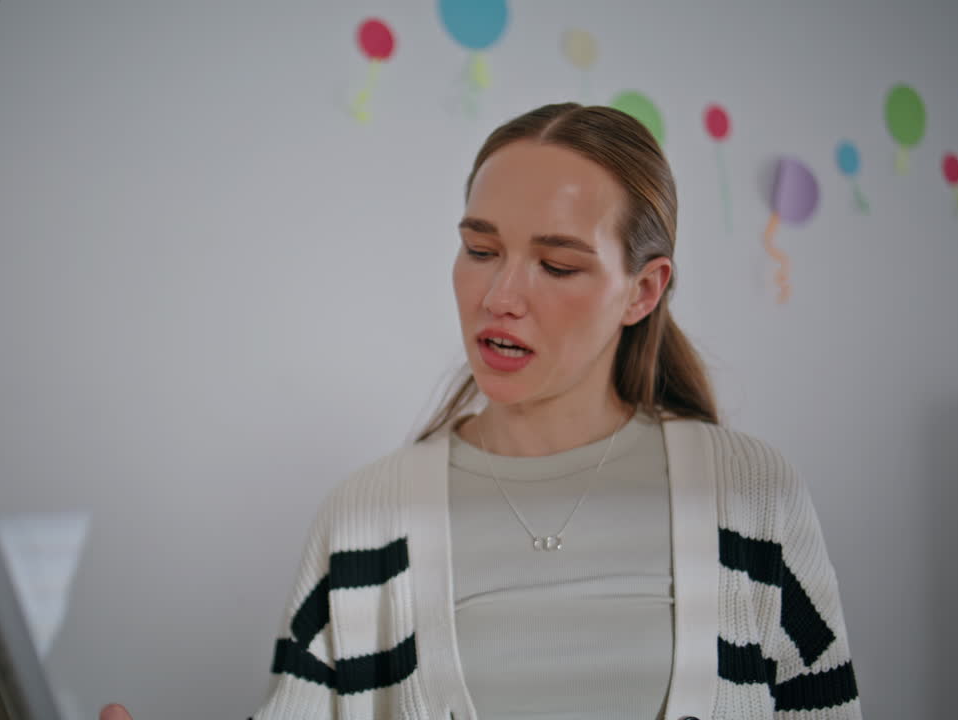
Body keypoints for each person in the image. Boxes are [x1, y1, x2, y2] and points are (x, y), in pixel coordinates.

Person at [100, 103, 861, 720]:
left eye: (557, 265)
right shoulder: (366, 521)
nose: (500, 297)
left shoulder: (752, 499)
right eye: (480, 249)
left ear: (644, 290)